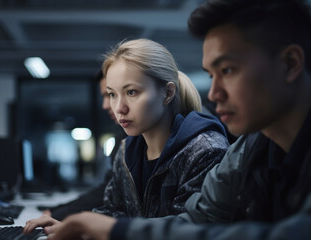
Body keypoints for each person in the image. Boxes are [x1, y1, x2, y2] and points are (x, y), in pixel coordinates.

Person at [28, 0, 311, 239]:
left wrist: (114, 230)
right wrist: (93, 224)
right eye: (211, 74)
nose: (215, 93)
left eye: (229, 70)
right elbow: (196, 221)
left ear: (291, 64)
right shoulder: (252, 146)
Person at [23, 38, 229, 232]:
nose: (119, 108)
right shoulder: (126, 151)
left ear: (167, 93)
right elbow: (112, 210)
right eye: (112, 94)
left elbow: (190, 230)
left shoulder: (205, 150)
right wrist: (72, 226)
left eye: (131, 92)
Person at [41, 70, 126, 221]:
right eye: (108, 95)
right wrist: (61, 214)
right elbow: (111, 192)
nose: (105, 105)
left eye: (132, 92)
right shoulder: (125, 141)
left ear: (167, 94)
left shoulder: (128, 142)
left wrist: (62, 215)